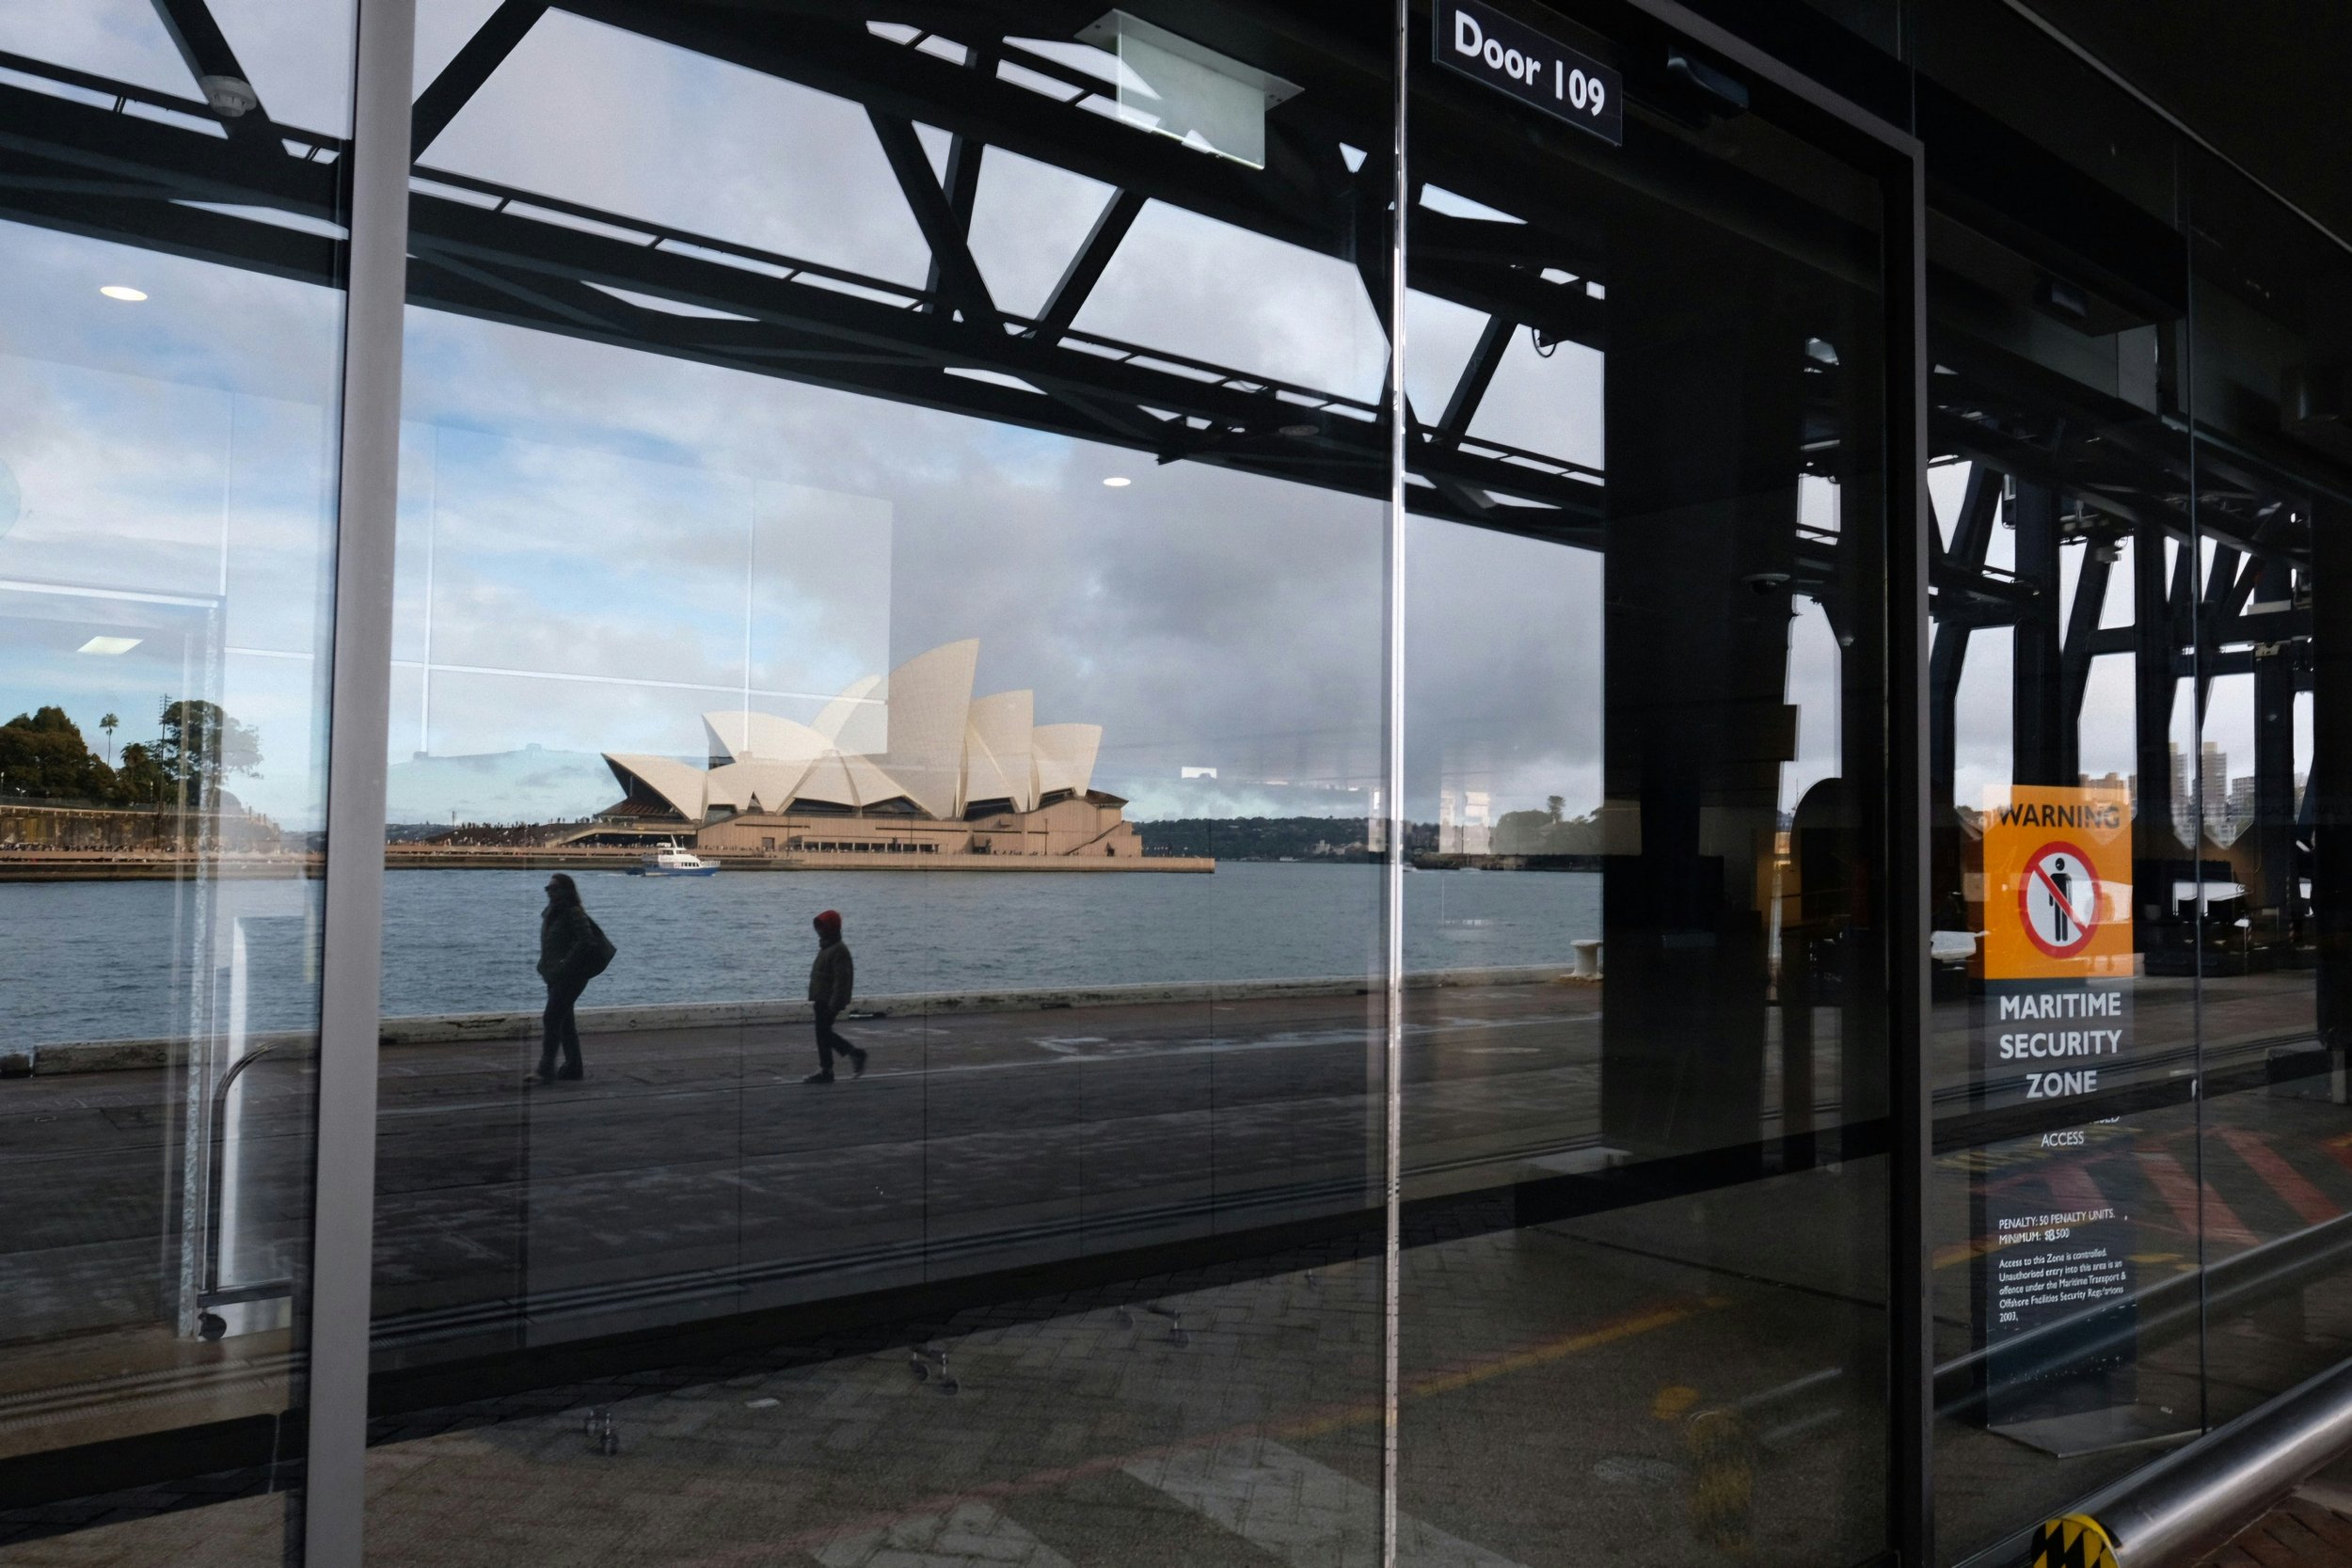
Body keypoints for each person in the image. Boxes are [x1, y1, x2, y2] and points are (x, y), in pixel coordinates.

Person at [532, 872, 605, 1084]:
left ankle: (546, 1069)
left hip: (570, 976)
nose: (550, 892)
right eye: (548, 888)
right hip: (554, 975)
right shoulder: (552, 913)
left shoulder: (574, 913)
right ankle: (573, 1067)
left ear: (566, 891)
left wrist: (566, 963)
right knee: (565, 1022)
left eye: (555, 888)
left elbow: (587, 941)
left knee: (552, 1018)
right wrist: (545, 966)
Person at [805, 908, 866, 1084]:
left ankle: (844, 1059)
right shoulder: (827, 947)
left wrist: (835, 1004)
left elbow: (842, 981)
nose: (819, 930)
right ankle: (829, 1068)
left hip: (828, 1001)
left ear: (831, 928)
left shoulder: (838, 950)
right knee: (822, 1033)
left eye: (822, 926)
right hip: (821, 999)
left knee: (823, 1033)